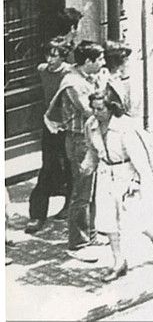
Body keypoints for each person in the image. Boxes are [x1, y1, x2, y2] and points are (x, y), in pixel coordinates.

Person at [81, 91, 153, 280]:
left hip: (126, 173)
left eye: (100, 108)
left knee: (131, 218)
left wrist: (137, 181)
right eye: (93, 108)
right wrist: (88, 164)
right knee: (107, 219)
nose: (95, 113)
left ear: (111, 107)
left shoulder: (125, 127)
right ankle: (119, 262)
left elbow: (139, 157)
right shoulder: (91, 125)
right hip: (105, 174)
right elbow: (92, 149)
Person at [42, 41, 106, 256]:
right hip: (79, 141)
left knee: (92, 190)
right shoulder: (73, 83)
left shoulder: (87, 77)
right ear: (88, 61)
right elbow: (90, 111)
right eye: (100, 59)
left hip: (90, 138)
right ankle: (77, 242)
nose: (103, 63)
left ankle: (92, 235)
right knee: (81, 192)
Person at [25, 37, 73, 234]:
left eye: (55, 55)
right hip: (50, 125)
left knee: (70, 167)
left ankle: (69, 205)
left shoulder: (70, 72)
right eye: (48, 55)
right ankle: (37, 215)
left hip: (68, 126)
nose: (50, 59)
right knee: (47, 167)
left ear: (63, 56)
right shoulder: (42, 70)